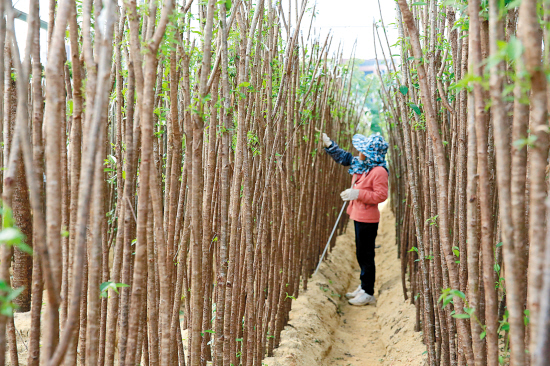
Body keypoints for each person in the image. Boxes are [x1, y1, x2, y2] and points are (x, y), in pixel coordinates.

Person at [322, 132, 389, 306]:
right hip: (359, 216)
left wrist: (358, 193)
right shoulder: (364, 165)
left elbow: (381, 195)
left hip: (368, 219)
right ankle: (363, 286)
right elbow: (345, 158)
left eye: (363, 151)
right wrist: (330, 145)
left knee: (366, 255)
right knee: (361, 253)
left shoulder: (379, 171)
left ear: (371, 154)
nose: (359, 153)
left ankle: (368, 292)